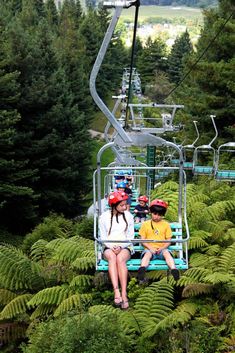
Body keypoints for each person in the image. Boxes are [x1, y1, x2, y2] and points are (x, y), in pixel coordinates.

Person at [99, 190, 134, 310]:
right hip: (109, 247)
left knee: (120, 259)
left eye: (125, 204)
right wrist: (111, 246)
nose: (125, 207)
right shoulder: (104, 217)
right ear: (114, 205)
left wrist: (121, 246)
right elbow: (103, 237)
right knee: (112, 257)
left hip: (124, 246)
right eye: (122, 205)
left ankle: (124, 293)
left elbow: (130, 236)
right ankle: (116, 290)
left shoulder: (128, 216)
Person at [137, 199, 180, 282]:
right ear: (151, 212)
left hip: (162, 249)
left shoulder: (166, 225)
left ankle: (173, 269)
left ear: (162, 215)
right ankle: (142, 269)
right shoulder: (145, 224)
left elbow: (168, 240)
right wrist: (150, 248)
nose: (156, 216)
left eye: (159, 215)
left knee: (167, 253)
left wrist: (161, 248)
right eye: (154, 214)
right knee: (147, 255)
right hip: (149, 249)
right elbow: (142, 240)